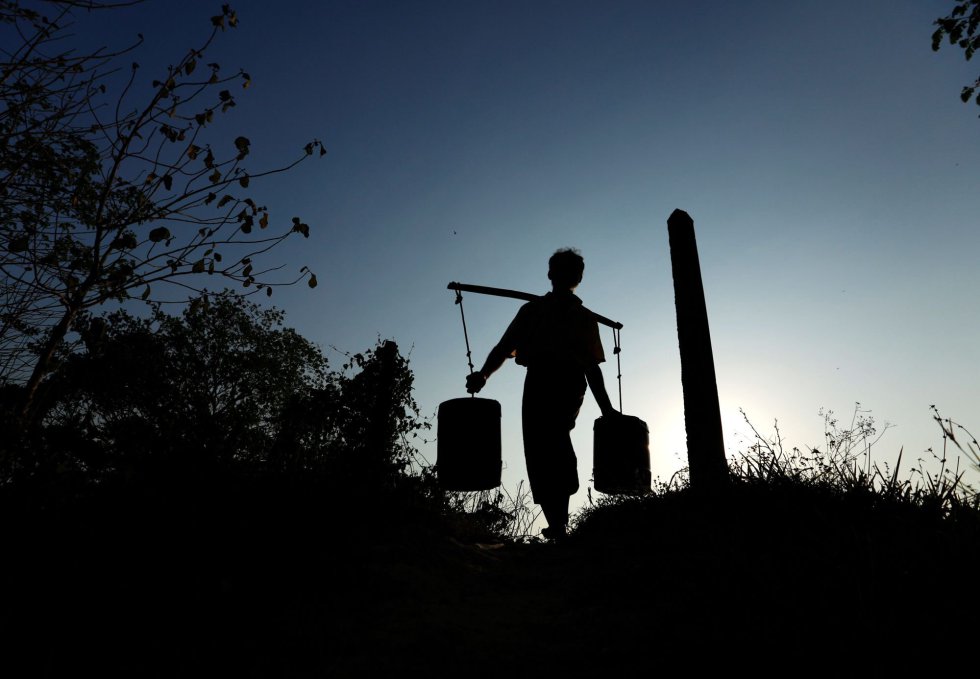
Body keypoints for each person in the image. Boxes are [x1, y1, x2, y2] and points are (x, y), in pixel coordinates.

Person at [465, 248, 618, 540]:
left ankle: (559, 524)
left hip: (567, 383)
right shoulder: (533, 311)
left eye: (572, 272)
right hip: (539, 378)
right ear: (552, 275)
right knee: (541, 448)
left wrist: (607, 409)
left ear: (577, 277)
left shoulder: (583, 318)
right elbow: (504, 346)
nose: (567, 276)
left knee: (552, 441)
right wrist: (483, 374)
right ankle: (557, 524)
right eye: (564, 271)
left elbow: (591, 368)